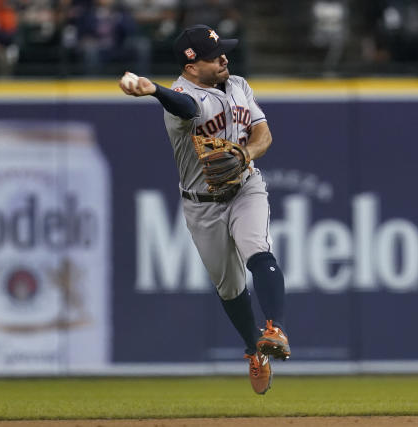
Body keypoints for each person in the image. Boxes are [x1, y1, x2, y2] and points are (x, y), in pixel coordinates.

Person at [119, 24, 290, 395]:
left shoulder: (239, 84)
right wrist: (154, 91)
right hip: (203, 205)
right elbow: (184, 106)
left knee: (258, 251)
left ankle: (275, 329)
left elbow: (264, 135)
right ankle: (253, 349)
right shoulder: (182, 96)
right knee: (230, 288)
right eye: (214, 55)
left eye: (222, 51)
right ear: (192, 64)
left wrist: (246, 153)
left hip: (246, 188)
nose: (224, 57)